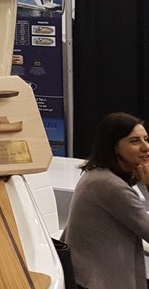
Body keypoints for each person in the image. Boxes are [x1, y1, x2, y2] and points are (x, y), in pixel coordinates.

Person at [62, 112, 149, 288]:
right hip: (100, 281)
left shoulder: (98, 173)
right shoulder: (111, 186)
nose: (146, 147)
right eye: (135, 141)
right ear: (114, 147)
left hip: (86, 274)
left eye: (146, 139)